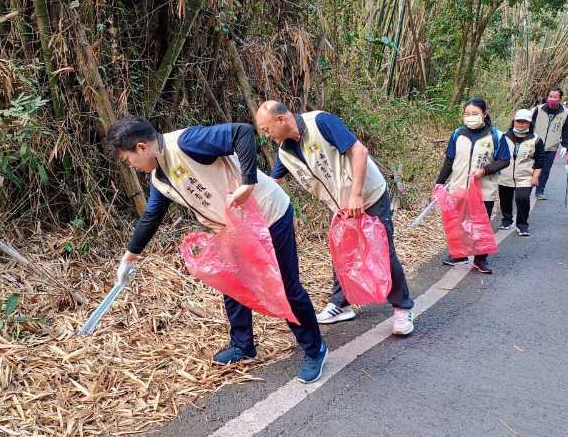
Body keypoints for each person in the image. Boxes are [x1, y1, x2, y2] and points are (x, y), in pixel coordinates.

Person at [106, 117, 328, 383]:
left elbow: (241, 133)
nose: (130, 164)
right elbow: (151, 216)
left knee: (286, 287)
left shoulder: (187, 143)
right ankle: (243, 345)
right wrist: (129, 257)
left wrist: (248, 182)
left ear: (141, 148)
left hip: (269, 215)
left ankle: (315, 349)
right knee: (232, 281)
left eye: (127, 158)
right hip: (234, 228)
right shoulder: (159, 177)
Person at [254, 101, 415, 334]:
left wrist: (357, 195)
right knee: (342, 253)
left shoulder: (320, 122)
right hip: (340, 206)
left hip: (368, 195)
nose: (266, 135)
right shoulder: (285, 152)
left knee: (381, 252)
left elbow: (359, 151)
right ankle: (340, 304)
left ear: (281, 119)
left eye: (267, 129)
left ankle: (403, 307)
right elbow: (272, 185)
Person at [435, 97, 510, 274]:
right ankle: (459, 254)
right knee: (458, 222)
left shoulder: (495, 135)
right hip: (458, 187)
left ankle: (480, 259)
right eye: (467, 114)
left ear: (484, 114)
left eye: (475, 113)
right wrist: (439, 182)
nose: (470, 117)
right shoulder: (457, 134)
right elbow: (449, 159)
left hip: (483, 190)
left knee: (480, 224)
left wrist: (485, 170)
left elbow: (504, 160)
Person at [498, 109, 545, 237]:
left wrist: (535, 176)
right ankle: (507, 220)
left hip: (525, 175)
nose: (521, 124)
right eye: (519, 121)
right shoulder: (504, 136)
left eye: (525, 122)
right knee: (505, 199)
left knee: (522, 199)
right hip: (505, 174)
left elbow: (540, 159)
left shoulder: (536, 140)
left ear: (530, 123)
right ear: (514, 121)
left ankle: (522, 225)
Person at [531, 87, 568, 200]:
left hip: (551, 147)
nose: (552, 99)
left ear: (560, 98)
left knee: (545, 170)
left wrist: (564, 145)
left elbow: (565, 130)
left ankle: (540, 190)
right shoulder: (538, 109)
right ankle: (526, 187)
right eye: (550, 96)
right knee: (530, 167)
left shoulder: (565, 113)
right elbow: (530, 125)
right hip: (534, 145)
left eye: (555, 97)